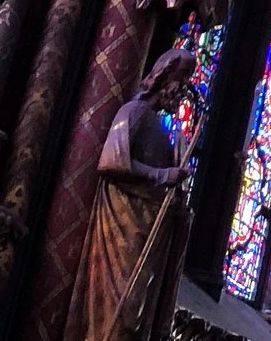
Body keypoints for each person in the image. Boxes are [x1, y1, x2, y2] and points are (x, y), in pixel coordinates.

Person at [65, 44, 197, 341]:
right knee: (120, 311)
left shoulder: (163, 130)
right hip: (123, 226)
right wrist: (164, 174)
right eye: (181, 82)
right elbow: (111, 161)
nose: (182, 91)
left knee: (137, 315)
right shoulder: (135, 112)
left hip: (148, 225)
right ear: (164, 77)